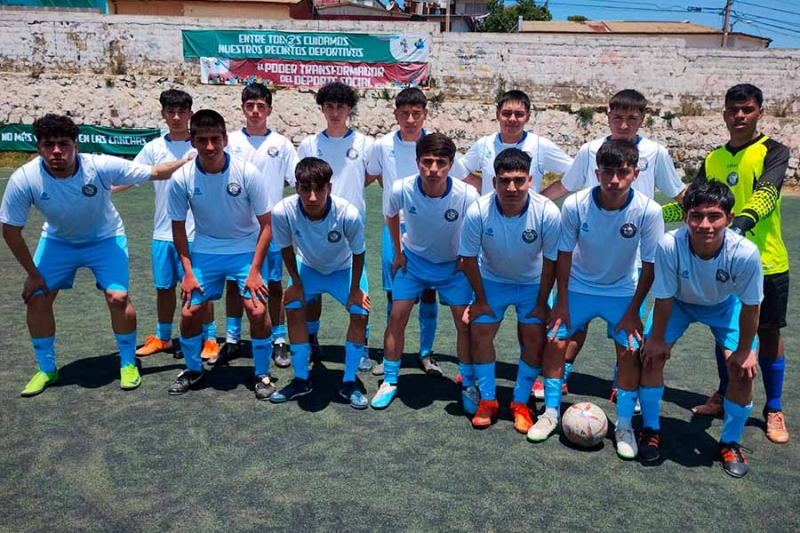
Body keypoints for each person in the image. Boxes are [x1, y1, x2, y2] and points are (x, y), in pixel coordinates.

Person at [0, 114, 191, 396]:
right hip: (58, 242)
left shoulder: (99, 166)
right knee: (37, 299)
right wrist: (32, 274)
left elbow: (157, 172)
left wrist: (188, 162)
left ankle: (128, 363)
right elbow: (11, 232)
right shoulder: (25, 178)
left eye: (63, 144)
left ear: (75, 145)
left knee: (118, 298)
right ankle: (46, 369)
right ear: (38, 147)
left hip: (105, 239)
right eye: (48, 144)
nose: (56, 151)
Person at [538, 89, 686, 402]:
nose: (623, 124)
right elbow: (567, 185)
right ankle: (559, 376)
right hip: (587, 255)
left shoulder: (655, 153)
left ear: (642, 119)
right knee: (572, 325)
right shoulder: (590, 149)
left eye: (632, 118)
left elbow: (677, 193)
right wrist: (531, 204)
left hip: (629, 261)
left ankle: (622, 383)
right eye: (617, 117)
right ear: (608, 116)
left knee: (627, 333)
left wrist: (712, 216)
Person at [530, 139, 664, 460]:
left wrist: (634, 311)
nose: (614, 180)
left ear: (635, 173)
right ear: (596, 172)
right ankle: (550, 412)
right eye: (607, 172)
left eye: (623, 172)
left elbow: (650, 266)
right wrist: (560, 303)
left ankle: (624, 424)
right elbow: (562, 255)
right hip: (578, 286)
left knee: (630, 351)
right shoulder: (576, 205)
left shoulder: (648, 210)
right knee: (555, 340)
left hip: (622, 291)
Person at [641, 181, 762, 477]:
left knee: (742, 370)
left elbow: (750, 306)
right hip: (680, 303)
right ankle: (650, 428)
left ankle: (730, 441)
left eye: (714, 216)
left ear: (729, 219)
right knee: (650, 355)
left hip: (726, 306)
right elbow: (665, 297)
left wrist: (745, 351)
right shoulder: (670, 245)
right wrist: (657, 340)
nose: (704, 224)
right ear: (685, 217)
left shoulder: (745, 252)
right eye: (696, 216)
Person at [691, 83, 791, 444]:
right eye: (733, 110)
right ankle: (723, 392)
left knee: (768, 334)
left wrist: (737, 225)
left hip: (767, 262)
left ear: (759, 113)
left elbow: (767, 193)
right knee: (728, 333)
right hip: (725, 264)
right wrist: (653, 213)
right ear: (724, 113)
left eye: (747, 110)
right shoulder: (714, 158)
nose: (739, 116)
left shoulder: (774, 151)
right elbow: (693, 203)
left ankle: (774, 407)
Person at [167, 109, 274, 398]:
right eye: (202, 140)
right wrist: (188, 273)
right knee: (189, 311)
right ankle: (193, 369)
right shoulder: (181, 178)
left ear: (226, 139)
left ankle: (262, 374)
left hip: (244, 251)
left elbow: (267, 226)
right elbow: (178, 228)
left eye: (216, 139)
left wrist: (254, 271)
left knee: (257, 309)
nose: (210, 147)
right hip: (205, 250)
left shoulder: (247, 172)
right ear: (192, 141)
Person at [371, 133, 479, 410]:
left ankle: (468, 383)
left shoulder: (467, 194)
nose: (433, 169)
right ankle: (391, 380)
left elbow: (476, 227)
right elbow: (390, 216)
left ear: (451, 165)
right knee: (397, 315)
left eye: (441, 163)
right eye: (427, 162)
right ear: (417, 162)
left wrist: (466, 258)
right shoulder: (401, 188)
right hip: (414, 262)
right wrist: (398, 251)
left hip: (452, 267)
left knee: (464, 323)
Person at [459, 148, 561, 430]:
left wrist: (543, 302)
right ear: (494, 182)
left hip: (532, 284)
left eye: (519, 180)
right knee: (479, 331)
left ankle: (519, 402)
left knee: (534, 339)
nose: (512, 187)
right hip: (493, 281)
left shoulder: (547, 212)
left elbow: (552, 262)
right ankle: (488, 400)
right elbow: (468, 258)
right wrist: (479, 299)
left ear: (530, 180)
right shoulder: (478, 210)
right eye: (504, 180)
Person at [112, 90, 217, 361]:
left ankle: (210, 338)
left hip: (197, 233)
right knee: (163, 288)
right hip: (162, 231)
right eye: (171, 111)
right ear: (163, 114)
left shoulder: (202, 146)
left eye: (182, 111)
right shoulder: (154, 148)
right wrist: (106, 189)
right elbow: (132, 176)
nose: (176, 117)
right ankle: (163, 336)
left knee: (201, 288)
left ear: (190, 114)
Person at [269, 157, 371, 409]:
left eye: (319, 189)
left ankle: (348, 382)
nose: (312, 197)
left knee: (360, 313)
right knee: (292, 308)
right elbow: (285, 248)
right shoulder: (282, 211)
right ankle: (301, 379)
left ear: (330, 188)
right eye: (305, 189)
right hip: (309, 268)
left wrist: (356, 289)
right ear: (296, 188)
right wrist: (295, 282)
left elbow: (359, 253)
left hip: (344, 268)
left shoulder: (348, 213)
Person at [213, 83, 299, 369]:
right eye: (250, 106)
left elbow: (296, 183)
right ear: (242, 108)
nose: (255, 111)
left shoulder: (283, 144)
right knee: (234, 286)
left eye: (261, 106)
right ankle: (233, 339)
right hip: (236, 229)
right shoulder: (232, 142)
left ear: (269, 109)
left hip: (271, 228)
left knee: (274, 285)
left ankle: (278, 339)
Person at [366, 87, 446, 378]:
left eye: (416, 113)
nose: (410, 119)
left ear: (425, 114)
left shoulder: (436, 144)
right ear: (396, 114)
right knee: (394, 293)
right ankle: (391, 354)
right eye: (404, 113)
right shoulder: (383, 144)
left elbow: (455, 177)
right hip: (394, 229)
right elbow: (375, 176)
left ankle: (427, 353)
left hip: (430, 229)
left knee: (428, 293)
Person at [297, 82, 374, 371]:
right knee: (310, 295)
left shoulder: (365, 143)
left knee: (360, 297)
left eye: (341, 106)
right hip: (314, 229)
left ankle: (362, 346)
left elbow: (369, 177)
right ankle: (312, 339)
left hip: (349, 233)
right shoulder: (309, 144)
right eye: (329, 106)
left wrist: (346, 201)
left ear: (349, 109)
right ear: (322, 108)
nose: (335, 112)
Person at [460, 89, 572, 195]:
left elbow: (574, 171)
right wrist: (484, 188)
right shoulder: (484, 145)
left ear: (527, 117)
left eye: (519, 114)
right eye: (506, 113)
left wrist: (542, 200)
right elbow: (460, 170)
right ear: (497, 115)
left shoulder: (540, 146)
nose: (512, 119)